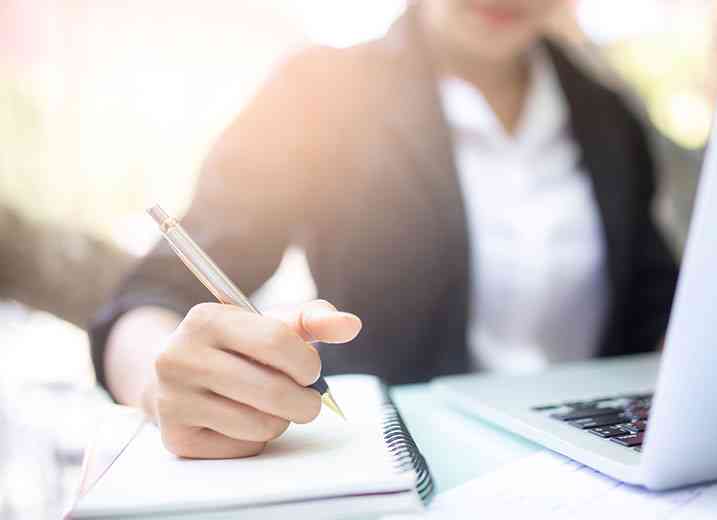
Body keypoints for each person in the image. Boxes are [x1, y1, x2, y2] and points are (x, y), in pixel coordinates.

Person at [89, 0, 678, 459]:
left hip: (596, 471)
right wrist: (158, 387)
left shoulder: (610, 116)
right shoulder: (318, 92)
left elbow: (661, 307)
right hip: (396, 472)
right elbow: (154, 295)